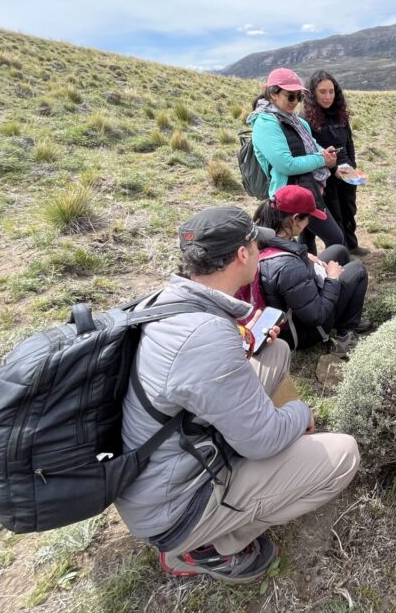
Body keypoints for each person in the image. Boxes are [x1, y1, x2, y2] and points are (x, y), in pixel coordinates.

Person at [116, 205, 360, 585]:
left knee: (274, 352)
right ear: (243, 255)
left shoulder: (168, 299)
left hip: (164, 457)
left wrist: (246, 345)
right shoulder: (205, 335)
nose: (261, 251)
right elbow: (262, 441)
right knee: (344, 454)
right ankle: (207, 546)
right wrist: (298, 413)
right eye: (256, 244)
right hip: (176, 504)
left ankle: (228, 504)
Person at [253, 186, 369, 354]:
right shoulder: (288, 267)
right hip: (302, 330)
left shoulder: (262, 235)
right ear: (294, 219)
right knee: (357, 270)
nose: (310, 223)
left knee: (338, 250)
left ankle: (344, 312)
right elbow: (317, 315)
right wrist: (332, 279)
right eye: (309, 218)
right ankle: (344, 335)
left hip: (294, 307)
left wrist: (303, 254)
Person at [248, 67, 345, 255]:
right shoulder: (265, 124)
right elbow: (286, 165)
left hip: (307, 189)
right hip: (288, 197)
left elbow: (312, 145)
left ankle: (311, 278)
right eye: (290, 96)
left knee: (306, 238)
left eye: (299, 97)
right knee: (335, 238)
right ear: (273, 94)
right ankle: (331, 277)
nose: (295, 102)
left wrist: (325, 155)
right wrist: (321, 161)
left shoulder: (296, 121)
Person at [303, 70, 367, 257]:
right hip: (325, 174)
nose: (328, 96)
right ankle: (341, 252)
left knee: (349, 208)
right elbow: (310, 149)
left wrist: (352, 166)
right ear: (313, 93)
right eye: (322, 92)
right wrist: (330, 169)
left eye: (331, 91)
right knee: (335, 212)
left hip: (346, 170)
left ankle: (352, 245)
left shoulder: (340, 113)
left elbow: (349, 142)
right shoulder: (306, 118)